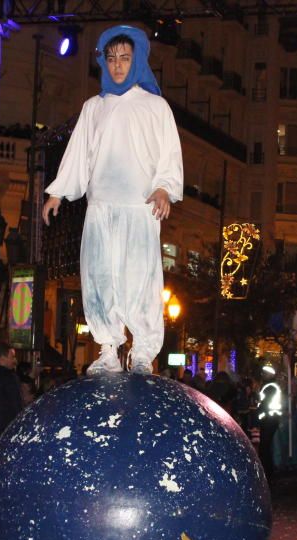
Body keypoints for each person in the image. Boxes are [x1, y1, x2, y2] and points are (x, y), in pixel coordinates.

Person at [42, 25, 183, 375]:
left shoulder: (156, 107)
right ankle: (107, 347)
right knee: (100, 276)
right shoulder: (94, 107)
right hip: (101, 206)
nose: (117, 65)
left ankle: (142, 353)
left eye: (124, 58)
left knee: (140, 278)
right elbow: (78, 154)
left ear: (136, 62)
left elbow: (169, 154)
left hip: (140, 207)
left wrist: (164, 187)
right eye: (111, 58)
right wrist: (58, 191)